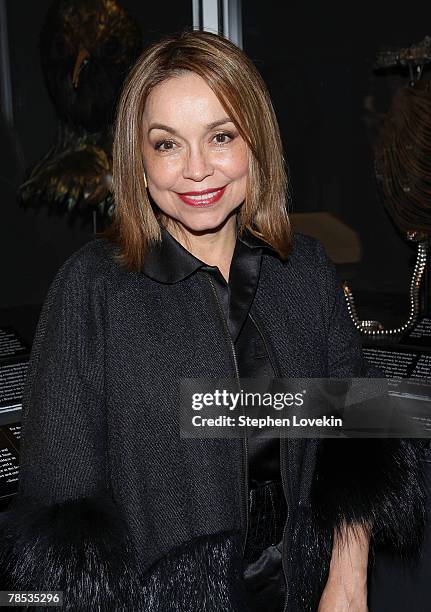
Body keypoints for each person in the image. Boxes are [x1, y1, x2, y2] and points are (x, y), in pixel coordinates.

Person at [0, 30, 426, 612]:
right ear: (138, 158)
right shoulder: (93, 289)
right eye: (168, 145)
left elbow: (356, 441)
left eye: (220, 136)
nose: (197, 170)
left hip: (300, 589)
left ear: (257, 144)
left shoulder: (303, 269)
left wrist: (347, 581)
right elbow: (58, 511)